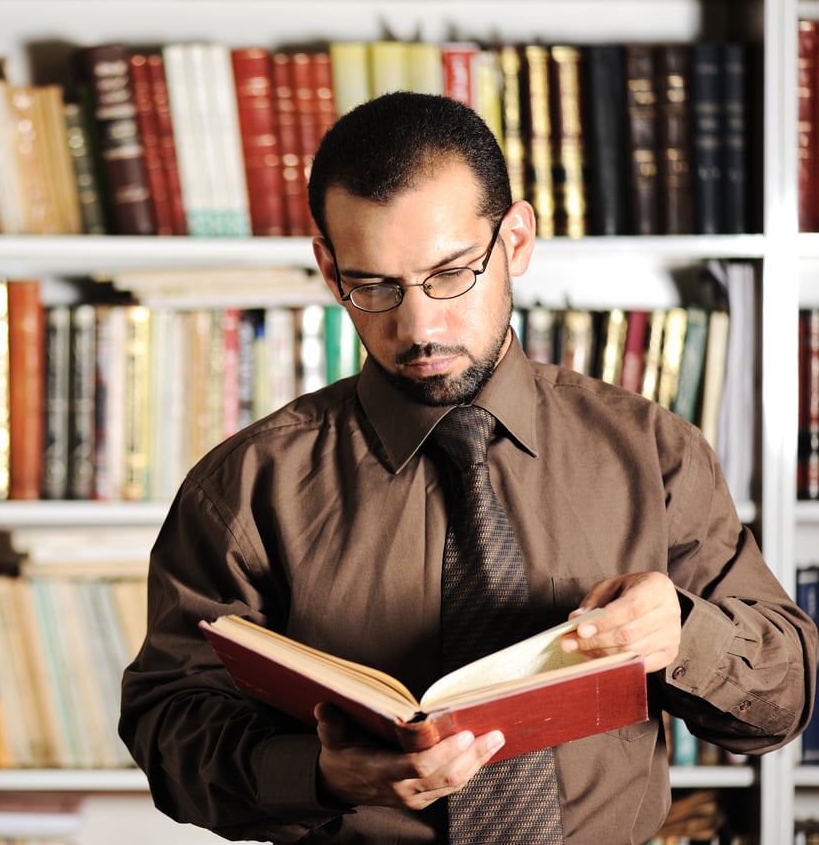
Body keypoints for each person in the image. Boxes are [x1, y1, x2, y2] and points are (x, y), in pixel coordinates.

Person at [119, 91, 818, 844]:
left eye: (452, 273)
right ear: (328, 268)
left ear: (515, 240)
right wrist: (319, 776)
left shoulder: (653, 452)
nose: (419, 326)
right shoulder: (247, 486)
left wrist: (682, 633)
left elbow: (783, 705)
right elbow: (166, 729)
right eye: (375, 285)